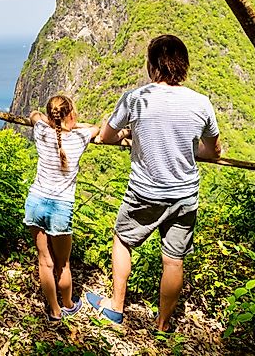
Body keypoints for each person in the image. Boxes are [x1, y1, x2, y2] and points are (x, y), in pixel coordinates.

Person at [87, 34, 221, 331]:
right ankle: (161, 325)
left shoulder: (135, 98)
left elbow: (106, 136)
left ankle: (116, 307)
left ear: (153, 65)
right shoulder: (201, 103)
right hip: (185, 195)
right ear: (182, 65)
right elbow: (212, 152)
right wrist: (188, 148)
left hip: (145, 192)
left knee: (123, 240)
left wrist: (127, 136)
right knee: (173, 260)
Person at [24, 94, 100, 322]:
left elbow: (33, 115)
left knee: (44, 260)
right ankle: (68, 304)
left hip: (35, 201)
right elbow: (98, 128)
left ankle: (54, 310)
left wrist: (51, 122)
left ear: (50, 116)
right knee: (63, 264)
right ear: (71, 115)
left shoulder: (42, 131)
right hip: (60, 207)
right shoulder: (80, 137)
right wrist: (76, 126)